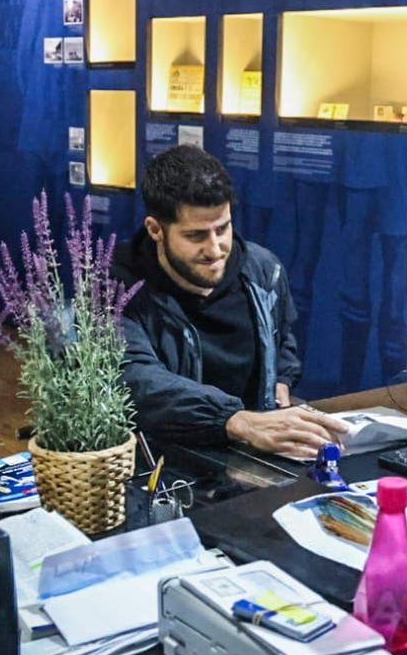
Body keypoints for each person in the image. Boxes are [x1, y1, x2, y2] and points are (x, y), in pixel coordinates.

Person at [113, 146, 347, 458]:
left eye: (222, 228)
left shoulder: (264, 269)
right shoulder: (115, 286)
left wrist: (281, 378)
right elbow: (136, 379)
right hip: (165, 461)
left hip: (255, 454)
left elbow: (282, 340)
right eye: (196, 236)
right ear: (156, 229)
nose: (215, 249)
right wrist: (233, 420)